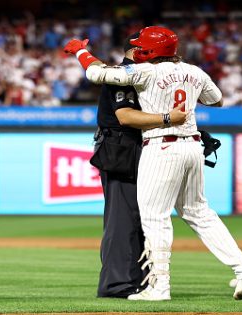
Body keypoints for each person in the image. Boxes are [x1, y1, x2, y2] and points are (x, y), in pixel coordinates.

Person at [64, 26, 242, 301]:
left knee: (155, 217)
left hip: (162, 145)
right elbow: (216, 100)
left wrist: (81, 51)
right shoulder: (194, 71)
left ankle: (159, 287)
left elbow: (95, 73)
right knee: (200, 213)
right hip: (192, 146)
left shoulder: (144, 72)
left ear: (148, 51)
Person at [92, 32, 187, 298]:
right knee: (123, 218)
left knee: (145, 217)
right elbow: (126, 116)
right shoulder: (123, 74)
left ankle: (141, 281)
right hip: (121, 150)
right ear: (137, 52)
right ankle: (117, 283)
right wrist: (169, 119)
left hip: (142, 147)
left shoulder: (139, 75)